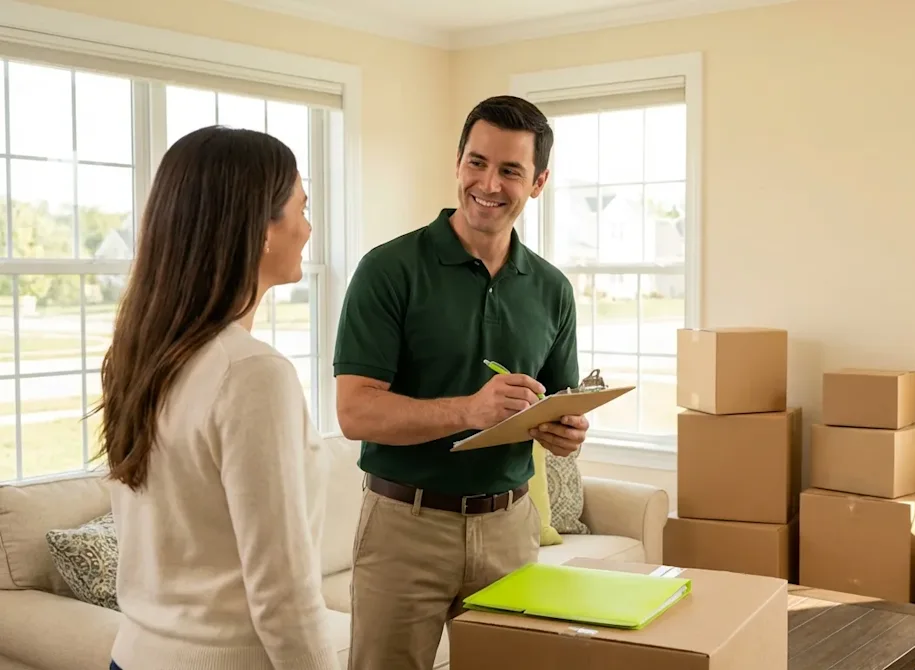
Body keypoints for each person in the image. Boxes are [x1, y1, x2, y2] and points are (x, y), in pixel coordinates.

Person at [334, 95, 589, 670]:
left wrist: (565, 431)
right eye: (477, 162)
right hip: (405, 528)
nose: (488, 184)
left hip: (511, 529)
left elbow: (556, 404)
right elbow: (355, 413)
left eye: (510, 170)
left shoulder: (552, 290)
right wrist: (468, 411)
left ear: (539, 182)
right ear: (457, 164)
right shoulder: (388, 270)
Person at [96, 126, 340, 670]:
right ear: (261, 229)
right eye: (301, 208)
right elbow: (283, 595)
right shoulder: (253, 374)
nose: (308, 228)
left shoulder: (140, 358)